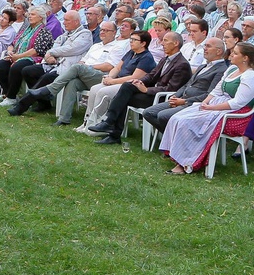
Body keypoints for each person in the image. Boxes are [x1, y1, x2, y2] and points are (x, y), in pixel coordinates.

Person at [161, 42, 254, 174]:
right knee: (177, 117)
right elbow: (216, 90)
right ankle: (177, 155)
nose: (231, 54)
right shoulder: (231, 69)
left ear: (245, 58)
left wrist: (212, 108)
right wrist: (203, 104)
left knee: (187, 122)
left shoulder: (250, 76)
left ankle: (186, 163)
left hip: (235, 115)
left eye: (235, 53)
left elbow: (237, 103)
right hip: (218, 105)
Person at [87, 30, 192, 143]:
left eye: (166, 41)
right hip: (152, 93)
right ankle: (110, 126)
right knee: (127, 86)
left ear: (176, 43)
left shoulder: (182, 64)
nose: (162, 44)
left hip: (161, 98)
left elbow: (171, 89)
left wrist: (147, 89)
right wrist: (138, 82)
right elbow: (150, 76)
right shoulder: (165, 59)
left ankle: (111, 129)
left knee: (123, 97)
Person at [141, 38, 228, 135]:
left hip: (194, 105)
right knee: (148, 113)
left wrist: (184, 101)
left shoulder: (221, 70)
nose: (204, 49)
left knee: (163, 115)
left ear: (219, 51)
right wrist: (175, 96)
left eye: (208, 46)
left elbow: (210, 95)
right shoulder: (202, 66)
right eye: (205, 46)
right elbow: (187, 84)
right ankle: (176, 137)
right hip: (181, 100)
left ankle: (178, 139)